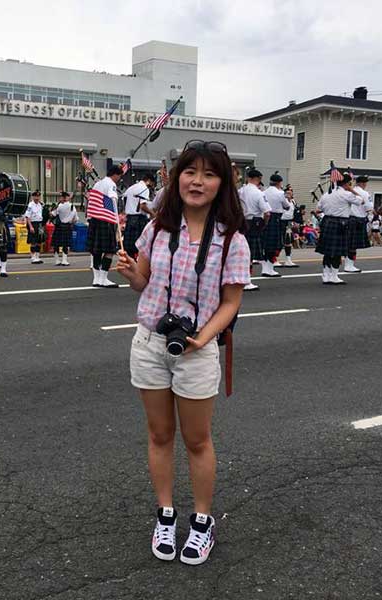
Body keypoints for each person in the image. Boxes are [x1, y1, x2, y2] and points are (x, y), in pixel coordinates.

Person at [115, 140, 250, 566]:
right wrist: (130, 272)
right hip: (151, 343)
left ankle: (203, 522)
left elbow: (231, 301)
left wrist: (203, 337)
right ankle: (166, 515)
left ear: (222, 183)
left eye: (210, 174)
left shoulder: (232, 241)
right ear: (177, 179)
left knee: (196, 440)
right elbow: (143, 282)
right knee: (159, 435)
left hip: (197, 349)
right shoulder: (156, 229)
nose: (198, 181)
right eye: (191, 172)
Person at [316, 173, 363, 284]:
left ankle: (326, 275)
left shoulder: (327, 194)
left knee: (327, 252)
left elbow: (318, 209)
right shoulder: (346, 194)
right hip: (340, 223)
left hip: (327, 222)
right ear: (347, 184)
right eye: (349, 184)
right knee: (337, 252)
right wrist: (351, 190)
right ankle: (334, 276)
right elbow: (361, 200)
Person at [87, 165, 124, 288]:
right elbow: (113, 198)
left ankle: (96, 279)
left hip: (95, 218)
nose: (119, 179)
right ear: (116, 175)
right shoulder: (111, 184)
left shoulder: (98, 184)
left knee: (96, 250)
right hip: (106, 220)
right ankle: (104, 279)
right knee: (109, 250)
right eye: (119, 176)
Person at [238, 168, 270, 291]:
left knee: (241, 252)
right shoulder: (259, 193)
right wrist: (264, 224)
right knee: (249, 253)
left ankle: (241, 279)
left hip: (241, 222)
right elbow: (267, 212)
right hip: (254, 222)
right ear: (259, 179)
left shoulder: (240, 191)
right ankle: (247, 281)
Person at [260, 172, 289, 277]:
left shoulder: (264, 192)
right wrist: (288, 200)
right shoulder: (280, 193)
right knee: (275, 244)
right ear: (279, 183)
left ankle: (265, 268)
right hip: (275, 218)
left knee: (265, 244)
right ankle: (270, 268)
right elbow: (287, 206)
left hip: (264, 217)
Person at [123, 173, 157, 259]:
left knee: (129, 247)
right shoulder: (144, 188)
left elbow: (124, 200)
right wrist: (153, 214)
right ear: (149, 181)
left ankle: (131, 264)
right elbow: (143, 206)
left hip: (129, 218)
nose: (152, 187)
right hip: (139, 219)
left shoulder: (131, 188)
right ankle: (138, 266)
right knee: (140, 246)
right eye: (152, 184)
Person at [344, 175, 373, 272]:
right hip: (358, 220)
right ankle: (349, 265)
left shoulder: (348, 192)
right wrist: (370, 219)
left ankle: (348, 264)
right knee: (353, 244)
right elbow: (368, 207)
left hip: (347, 219)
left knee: (348, 243)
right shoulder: (364, 193)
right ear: (363, 183)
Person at [51, 191, 77, 266]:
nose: (60, 198)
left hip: (59, 226)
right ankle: (64, 260)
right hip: (67, 226)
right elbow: (75, 219)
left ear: (63, 198)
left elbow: (53, 214)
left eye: (61, 197)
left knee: (56, 243)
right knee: (66, 244)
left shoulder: (60, 206)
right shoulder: (72, 206)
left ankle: (57, 260)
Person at [277, 185, 299, 267]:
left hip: (289, 221)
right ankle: (275, 259)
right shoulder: (283, 201)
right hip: (282, 221)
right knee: (280, 239)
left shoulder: (293, 201)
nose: (289, 194)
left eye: (291, 193)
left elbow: (294, 213)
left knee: (288, 239)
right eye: (287, 193)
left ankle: (288, 259)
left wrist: (295, 222)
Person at [25, 190, 45, 264]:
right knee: (33, 241)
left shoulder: (40, 204)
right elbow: (28, 217)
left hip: (39, 223)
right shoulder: (30, 205)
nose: (37, 198)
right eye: (35, 196)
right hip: (33, 223)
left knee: (39, 240)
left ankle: (37, 256)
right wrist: (30, 227)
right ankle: (33, 257)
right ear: (33, 197)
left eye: (38, 196)